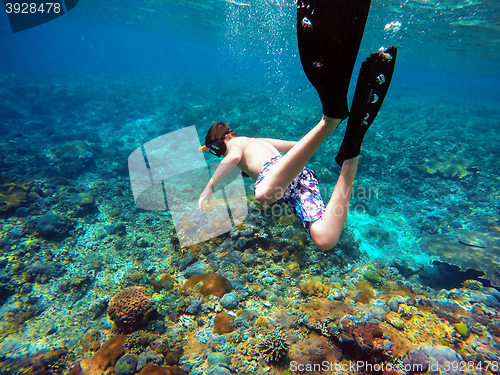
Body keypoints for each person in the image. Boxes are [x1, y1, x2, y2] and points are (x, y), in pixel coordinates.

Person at [198, 0, 397, 250]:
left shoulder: (236, 144)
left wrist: (210, 187)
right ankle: (350, 158)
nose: (221, 154)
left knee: (263, 194)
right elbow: (295, 146)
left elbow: (232, 158)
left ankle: (329, 121)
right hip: (295, 182)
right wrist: (315, 146)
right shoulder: (257, 142)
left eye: (216, 148)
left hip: (281, 178)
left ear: (226, 138)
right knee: (325, 240)